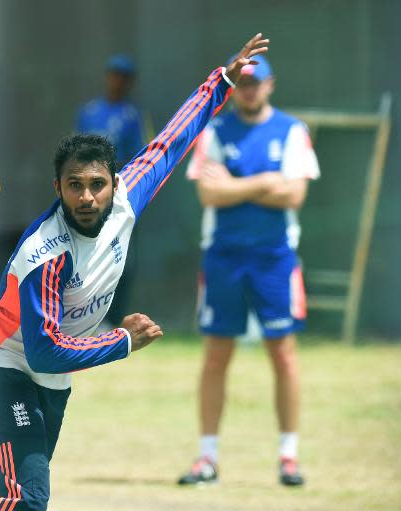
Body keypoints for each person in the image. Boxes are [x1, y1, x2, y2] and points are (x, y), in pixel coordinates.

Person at [0, 34, 269, 511]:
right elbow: (44, 352)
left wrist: (223, 79)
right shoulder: (46, 254)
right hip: (3, 370)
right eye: (74, 187)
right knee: (25, 493)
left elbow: (172, 141)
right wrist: (122, 342)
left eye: (97, 185)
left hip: (48, 382)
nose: (87, 198)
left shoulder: (127, 198)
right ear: (58, 188)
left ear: (114, 182)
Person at [177, 54, 319, 487]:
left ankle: (289, 456)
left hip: (275, 257)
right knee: (217, 354)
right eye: (242, 83)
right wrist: (265, 182)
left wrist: (236, 185)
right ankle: (207, 458)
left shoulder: (292, 131)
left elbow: (294, 195)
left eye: (257, 83)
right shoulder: (215, 130)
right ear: (234, 88)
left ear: (271, 84)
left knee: (284, 355)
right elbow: (208, 194)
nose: (249, 90)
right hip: (223, 256)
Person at [76, 54, 147, 326]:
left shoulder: (134, 115)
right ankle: (84, 317)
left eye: (124, 76)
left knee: (121, 258)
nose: (118, 81)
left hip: (119, 195)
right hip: (88, 196)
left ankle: (113, 317)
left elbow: (142, 155)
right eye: (114, 74)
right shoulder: (89, 111)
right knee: (87, 252)